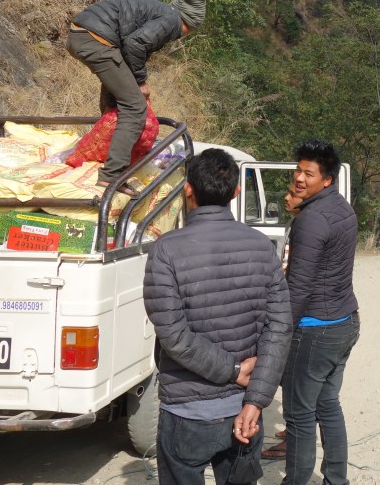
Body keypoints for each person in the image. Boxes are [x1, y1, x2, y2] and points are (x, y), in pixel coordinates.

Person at [143, 148, 291, 485]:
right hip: (245, 412)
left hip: (186, 413)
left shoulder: (165, 250)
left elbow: (175, 337)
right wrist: (255, 399)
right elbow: (280, 328)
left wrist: (234, 372)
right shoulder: (261, 248)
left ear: (188, 190)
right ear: (236, 192)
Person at [274, 139, 360, 485]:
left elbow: (299, 289)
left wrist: (279, 335)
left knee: (298, 415)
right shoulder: (343, 209)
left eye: (308, 173)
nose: (299, 178)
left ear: (326, 180)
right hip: (345, 322)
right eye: (298, 170)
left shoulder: (311, 220)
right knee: (328, 405)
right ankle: (336, 480)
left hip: (315, 329)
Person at [66, 0, 205, 193]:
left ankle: (102, 149)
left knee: (118, 97)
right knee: (134, 107)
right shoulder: (171, 21)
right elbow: (135, 44)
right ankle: (112, 176)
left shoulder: (163, 12)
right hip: (95, 39)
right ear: (190, 23)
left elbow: (129, 46)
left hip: (81, 34)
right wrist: (141, 82)